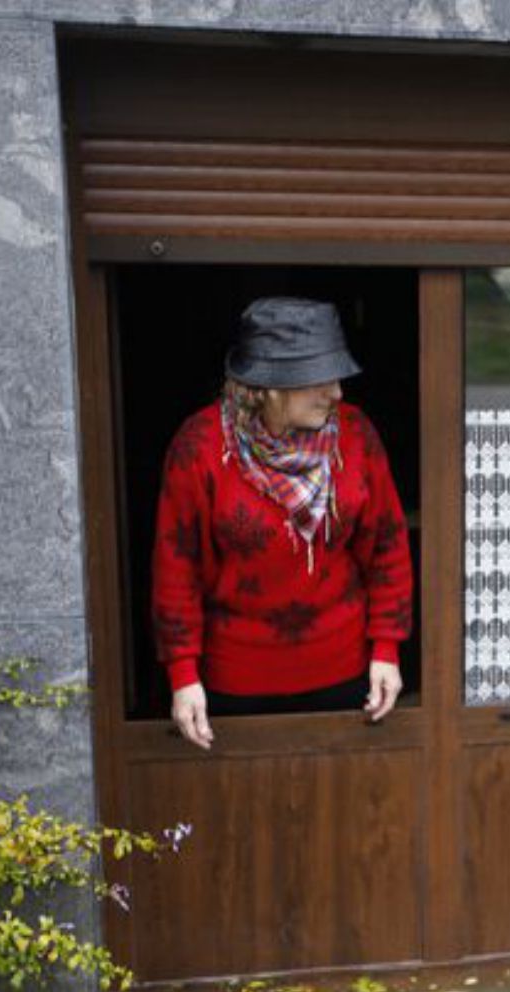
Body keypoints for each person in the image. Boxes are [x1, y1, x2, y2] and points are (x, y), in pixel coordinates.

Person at [151, 297, 414, 750]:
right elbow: (177, 568)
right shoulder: (200, 447)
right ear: (267, 386)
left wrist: (387, 649)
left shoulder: (355, 435)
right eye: (319, 379)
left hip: (345, 672)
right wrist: (182, 674)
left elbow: (388, 547)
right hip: (234, 683)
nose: (336, 393)